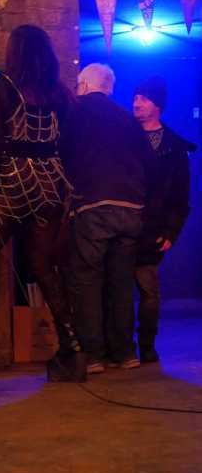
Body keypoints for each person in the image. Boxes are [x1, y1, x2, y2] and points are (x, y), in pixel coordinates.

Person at [0, 25, 83, 387]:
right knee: (45, 267)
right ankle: (72, 347)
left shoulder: (0, 87)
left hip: (9, 183)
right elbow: (69, 144)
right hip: (51, 184)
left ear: (14, 51)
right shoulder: (59, 92)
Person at [60, 63, 155, 373]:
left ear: (85, 86)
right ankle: (124, 352)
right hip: (131, 208)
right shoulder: (128, 119)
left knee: (87, 280)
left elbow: (63, 154)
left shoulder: (75, 112)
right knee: (121, 282)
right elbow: (146, 162)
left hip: (93, 204)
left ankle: (93, 355)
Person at [132, 76, 196, 363]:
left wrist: (171, 232)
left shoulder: (174, 147)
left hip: (153, 228)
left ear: (157, 105)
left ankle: (146, 345)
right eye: (135, 97)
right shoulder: (125, 136)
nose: (136, 103)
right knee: (116, 290)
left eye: (143, 99)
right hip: (123, 222)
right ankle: (120, 346)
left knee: (148, 290)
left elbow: (181, 196)